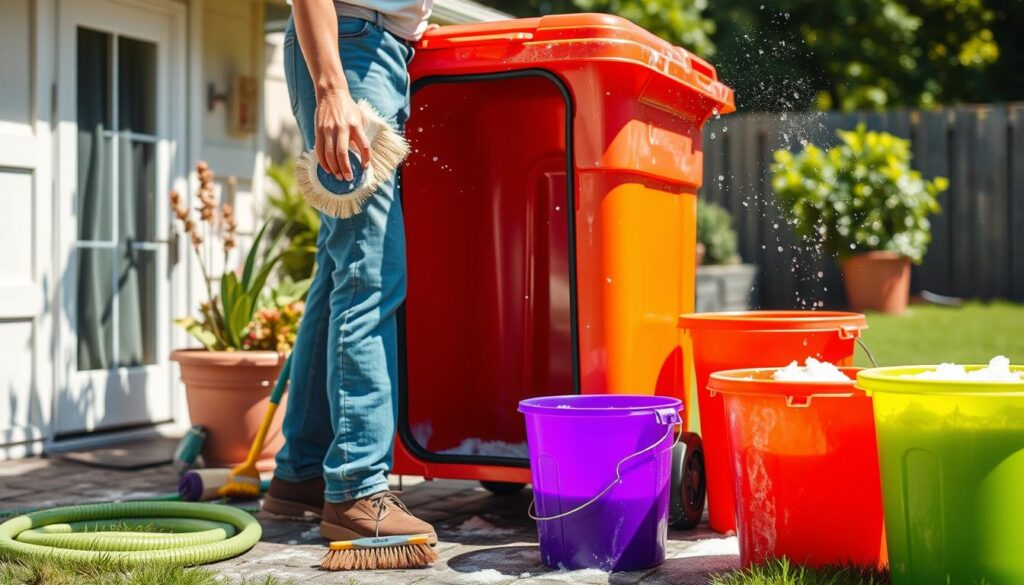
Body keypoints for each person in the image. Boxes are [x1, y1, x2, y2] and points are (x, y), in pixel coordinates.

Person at [262, 0, 436, 544]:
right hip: (350, 51)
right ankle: (358, 489)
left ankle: (303, 474)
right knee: (369, 270)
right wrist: (333, 89)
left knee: (339, 271)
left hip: (377, 51)